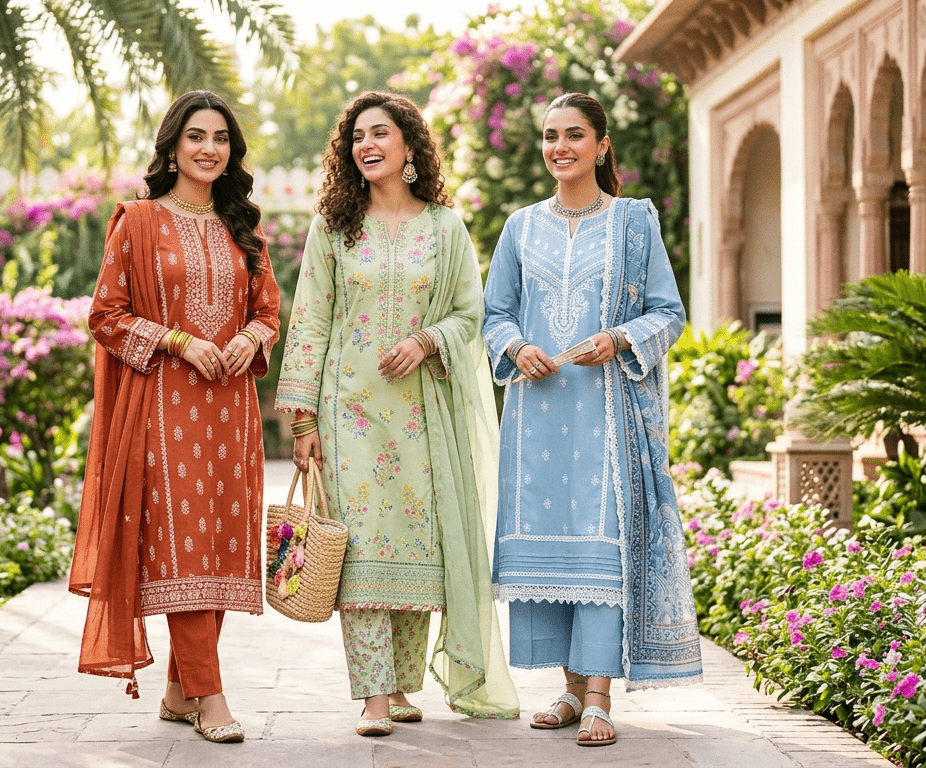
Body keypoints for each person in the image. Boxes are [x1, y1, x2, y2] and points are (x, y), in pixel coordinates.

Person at [276, 91, 519, 736]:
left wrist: (426, 341)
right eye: (357, 137)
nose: (367, 145)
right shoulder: (333, 229)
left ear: (409, 145)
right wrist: (303, 419)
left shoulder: (444, 228)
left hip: (421, 414)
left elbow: (470, 313)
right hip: (348, 413)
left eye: (380, 133)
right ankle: (374, 697)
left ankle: (403, 686)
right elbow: (310, 321)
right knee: (359, 550)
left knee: (416, 549)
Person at [481, 92, 703, 747]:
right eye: (551, 135)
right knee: (554, 545)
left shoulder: (633, 222)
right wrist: (516, 347)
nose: (561, 147)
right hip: (537, 414)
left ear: (601, 145)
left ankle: (600, 696)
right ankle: (571, 689)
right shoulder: (521, 227)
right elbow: (496, 314)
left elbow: (668, 312)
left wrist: (619, 339)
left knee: (600, 538)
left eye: (574, 134)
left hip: (606, 412)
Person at [69, 90, 280, 745]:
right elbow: (106, 315)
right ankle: (211, 697)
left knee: (219, 544)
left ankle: (181, 691)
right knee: (181, 544)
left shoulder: (244, 224)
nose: (209, 149)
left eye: (221, 138)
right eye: (196, 136)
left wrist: (250, 338)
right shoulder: (137, 221)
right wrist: (179, 341)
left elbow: (267, 310)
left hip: (231, 410)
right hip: (164, 407)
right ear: (172, 146)